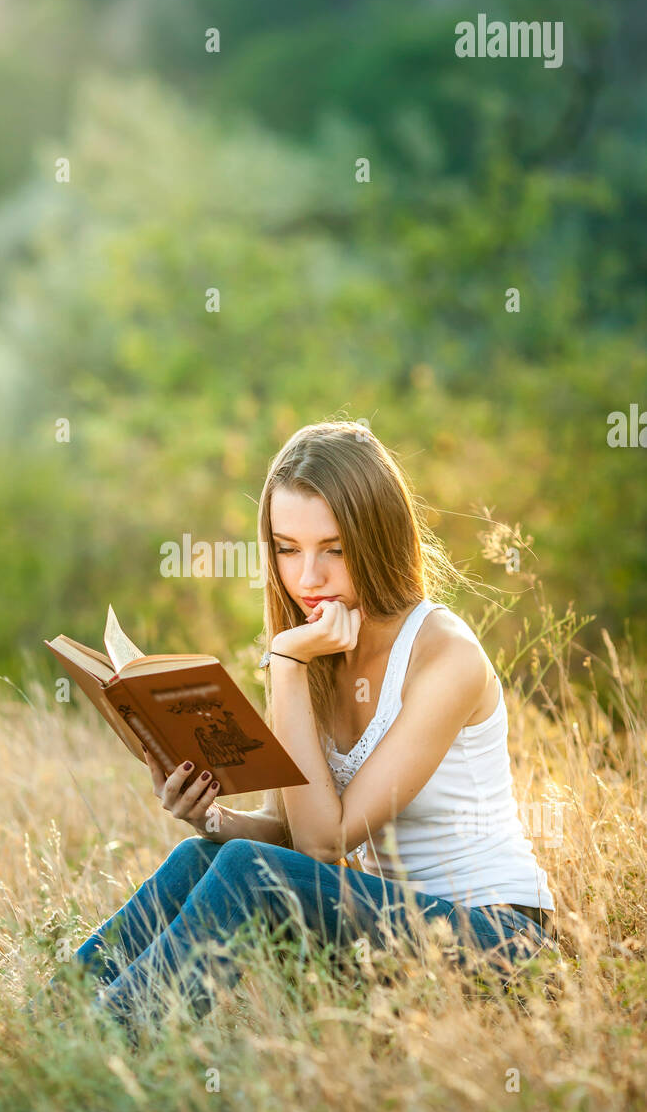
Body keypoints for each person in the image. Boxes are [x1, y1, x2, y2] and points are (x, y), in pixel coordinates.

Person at [36, 420, 560, 1043]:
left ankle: (100, 1051)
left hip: (498, 943)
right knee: (204, 856)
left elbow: (321, 844)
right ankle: (42, 1030)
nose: (308, 577)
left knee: (246, 872)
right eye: (287, 549)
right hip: (383, 930)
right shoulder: (313, 651)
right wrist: (207, 816)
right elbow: (287, 827)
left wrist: (283, 665)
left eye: (333, 549)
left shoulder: (445, 657)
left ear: (378, 539)